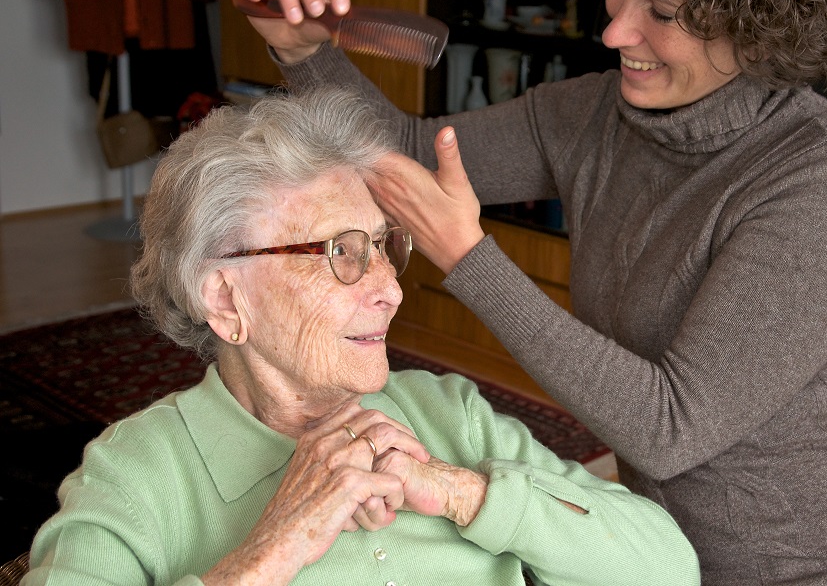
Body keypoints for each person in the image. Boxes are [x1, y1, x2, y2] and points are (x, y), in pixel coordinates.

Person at [224, 0, 827, 582]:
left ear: (761, 21)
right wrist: (302, 51)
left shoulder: (825, 171)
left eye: (664, 10)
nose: (615, 30)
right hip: (661, 554)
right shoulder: (593, 115)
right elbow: (413, 157)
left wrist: (470, 260)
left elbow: (671, 428)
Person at [23, 87, 700, 585]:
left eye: (383, 246)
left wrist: (467, 493)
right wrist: (272, 551)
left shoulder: (447, 416)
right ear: (226, 300)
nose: (392, 287)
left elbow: (668, 569)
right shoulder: (138, 475)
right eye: (342, 252)